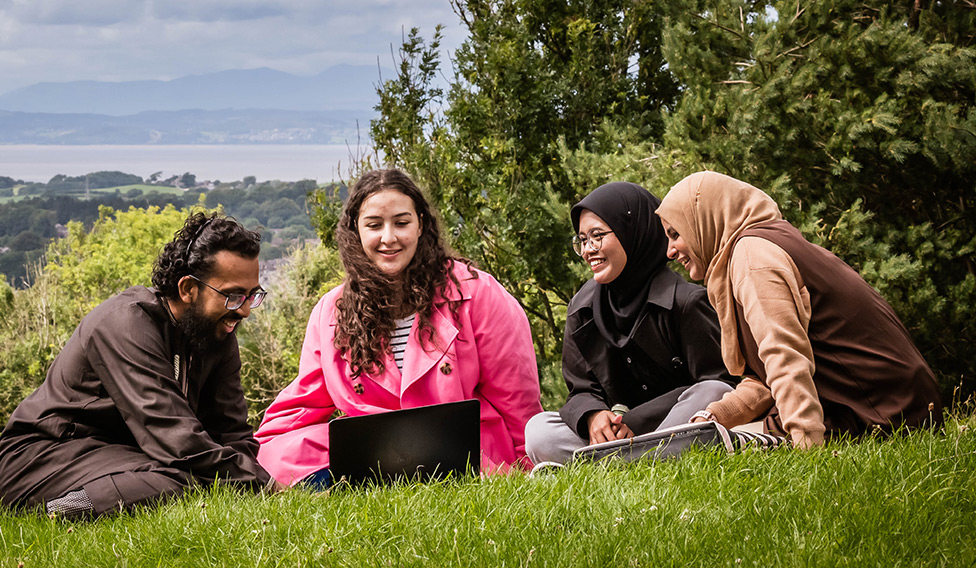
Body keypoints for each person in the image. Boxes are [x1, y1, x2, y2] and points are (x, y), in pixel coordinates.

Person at [257, 168, 540, 488]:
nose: (388, 237)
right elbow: (302, 405)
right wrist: (249, 457)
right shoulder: (332, 312)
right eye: (374, 225)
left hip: (470, 461)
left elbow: (516, 400)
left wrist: (526, 469)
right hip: (374, 465)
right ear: (356, 231)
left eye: (401, 223)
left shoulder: (477, 293)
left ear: (421, 224)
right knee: (281, 454)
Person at [0, 212, 271, 518]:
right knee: (184, 479)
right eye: (232, 295)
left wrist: (255, 485)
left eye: (252, 295)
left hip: (125, 455)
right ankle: (43, 515)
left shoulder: (216, 331)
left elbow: (232, 433)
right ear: (188, 288)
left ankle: (73, 506)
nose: (244, 310)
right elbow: (177, 438)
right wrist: (266, 487)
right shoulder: (126, 324)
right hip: (43, 456)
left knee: (202, 477)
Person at [655, 171, 941, 448]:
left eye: (676, 233)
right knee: (710, 440)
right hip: (899, 404)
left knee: (711, 452)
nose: (670, 251)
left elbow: (784, 355)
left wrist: (805, 443)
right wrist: (716, 415)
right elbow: (766, 379)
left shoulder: (752, 256)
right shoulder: (763, 243)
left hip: (884, 414)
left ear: (704, 220)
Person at [523, 182, 738, 465]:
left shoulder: (686, 302)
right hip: (614, 437)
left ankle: (621, 464)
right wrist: (593, 416)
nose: (588, 250)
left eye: (597, 236)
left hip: (671, 425)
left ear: (633, 231)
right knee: (539, 431)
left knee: (714, 392)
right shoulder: (582, 308)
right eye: (582, 240)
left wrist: (634, 421)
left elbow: (722, 381)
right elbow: (581, 388)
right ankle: (645, 462)